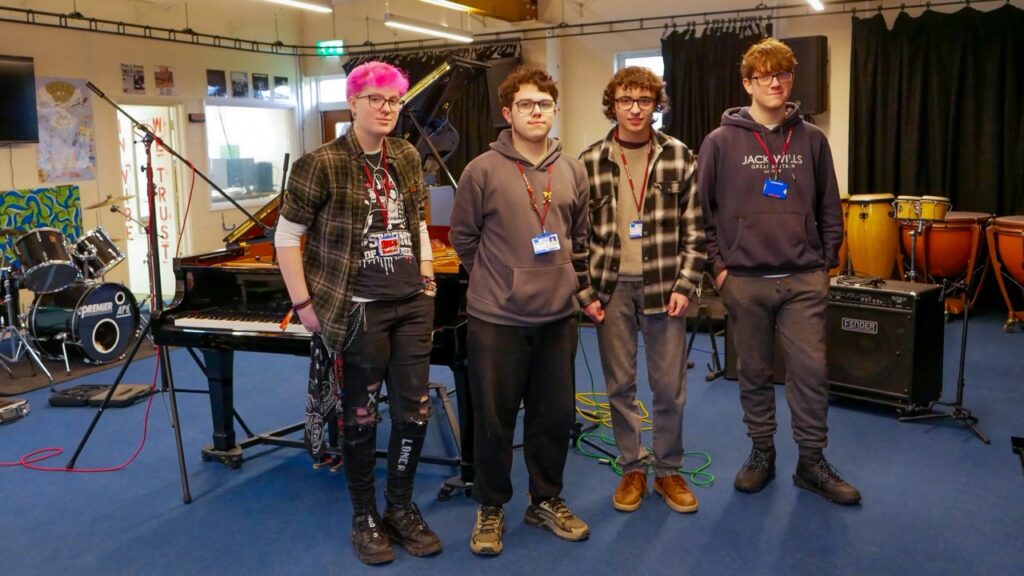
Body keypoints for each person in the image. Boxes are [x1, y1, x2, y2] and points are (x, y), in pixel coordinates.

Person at [275, 61, 443, 564]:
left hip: (411, 305)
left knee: (415, 412)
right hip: (358, 310)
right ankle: (364, 515)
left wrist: (427, 279)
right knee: (362, 416)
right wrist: (304, 305)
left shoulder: (406, 155)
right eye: (376, 99)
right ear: (353, 103)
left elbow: (416, 221)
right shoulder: (321, 163)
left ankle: (400, 507)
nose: (387, 109)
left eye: (394, 101)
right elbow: (286, 237)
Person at [697, 38, 861, 505]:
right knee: (753, 372)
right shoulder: (719, 141)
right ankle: (761, 452)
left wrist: (824, 262)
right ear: (747, 83)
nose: (775, 82)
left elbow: (829, 206)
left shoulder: (812, 139)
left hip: (803, 279)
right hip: (744, 281)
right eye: (765, 75)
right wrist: (720, 270)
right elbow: (701, 212)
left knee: (811, 372)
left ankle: (811, 461)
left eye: (783, 74)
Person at [449, 67, 591, 556]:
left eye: (545, 104)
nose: (537, 112)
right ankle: (491, 506)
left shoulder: (572, 168)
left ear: (554, 111)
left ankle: (545, 499)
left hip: (557, 316)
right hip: (497, 318)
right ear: (508, 113)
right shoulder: (481, 170)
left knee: (554, 415)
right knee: (495, 419)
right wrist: (496, 279)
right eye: (527, 105)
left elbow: (579, 235)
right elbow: (463, 237)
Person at [577, 67, 705, 514]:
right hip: (610, 289)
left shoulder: (679, 155)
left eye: (644, 100)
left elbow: (695, 230)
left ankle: (668, 470)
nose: (635, 109)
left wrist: (687, 283)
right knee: (620, 386)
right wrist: (585, 292)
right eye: (626, 100)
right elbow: (578, 237)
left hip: (665, 287)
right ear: (612, 105)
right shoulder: (589, 160)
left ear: (656, 105)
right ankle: (632, 466)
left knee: (669, 388)